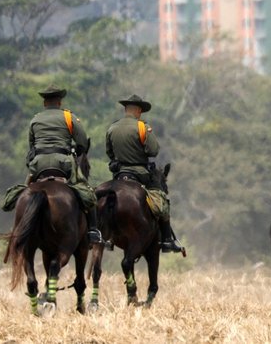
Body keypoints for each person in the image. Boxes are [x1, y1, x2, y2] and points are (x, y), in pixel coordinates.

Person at [23, 84, 101, 244]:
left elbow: (31, 147)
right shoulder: (68, 117)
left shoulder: (35, 119)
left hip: (39, 165)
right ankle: (93, 230)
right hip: (63, 164)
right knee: (87, 193)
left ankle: (20, 225)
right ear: (59, 102)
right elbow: (82, 143)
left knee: (25, 191)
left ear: (45, 103)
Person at [106, 94, 183, 253]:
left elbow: (109, 152)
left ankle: (101, 234)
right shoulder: (142, 127)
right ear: (138, 111)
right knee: (161, 201)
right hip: (140, 173)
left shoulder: (112, 127)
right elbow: (153, 151)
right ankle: (167, 240)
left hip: (119, 173)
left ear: (126, 109)